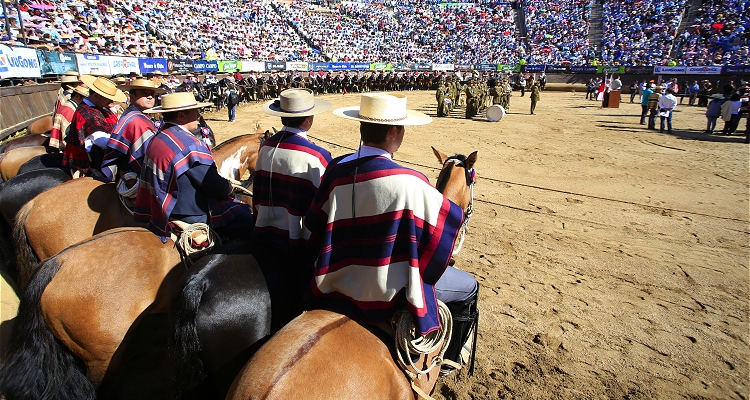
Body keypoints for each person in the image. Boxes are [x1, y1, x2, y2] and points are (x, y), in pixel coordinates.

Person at [305, 93, 479, 376]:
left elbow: (314, 224)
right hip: (386, 295)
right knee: (469, 288)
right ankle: (448, 362)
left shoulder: (336, 169)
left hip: (332, 281)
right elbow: (438, 244)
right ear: (394, 132)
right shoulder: (413, 182)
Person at [135, 92, 254, 243]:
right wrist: (228, 187)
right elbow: (214, 186)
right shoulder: (190, 144)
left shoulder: (159, 137)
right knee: (249, 222)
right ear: (181, 116)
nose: (199, 115)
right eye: (195, 111)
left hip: (162, 205)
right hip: (190, 213)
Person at [252, 88, 332, 286]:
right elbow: (325, 207)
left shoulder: (266, 146)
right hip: (298, 240)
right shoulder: (318, 156)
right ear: (308, 120)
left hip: (265, 230)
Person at [100, 79, 167, 184]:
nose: (150, 97)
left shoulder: (140, 115)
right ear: (132, 97)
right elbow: (145, 154)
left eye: (152, 94)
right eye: (144, 94)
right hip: (133, 173)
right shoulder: (136, 120)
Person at [62, 75, 126, 177]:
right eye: (108, 98)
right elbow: (101, 141)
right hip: (95, 161)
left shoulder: (97, 108)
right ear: (97, 95)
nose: (112, 101)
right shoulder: (89, 113)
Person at [49, 84, 89, 151]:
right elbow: (68, 134)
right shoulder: (69, 110)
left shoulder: (70, 106)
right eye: (84, 99)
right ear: (77, 96)